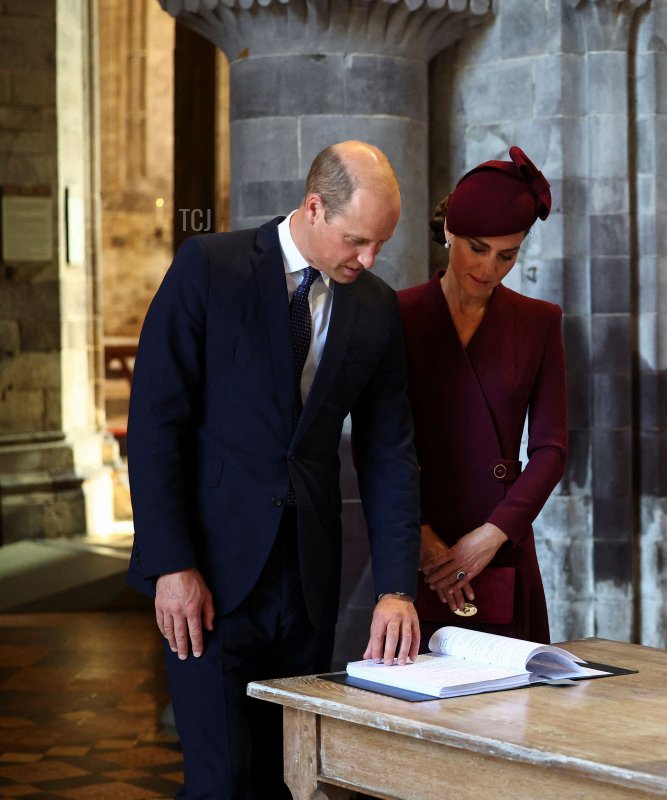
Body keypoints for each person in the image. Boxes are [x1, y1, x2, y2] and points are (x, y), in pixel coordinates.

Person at [126, 141, 422, 798]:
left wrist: (396, 587)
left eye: (381, 244)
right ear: (313, 206)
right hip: (207, 582)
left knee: (286, 780)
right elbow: (155, 426)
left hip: (308, 586)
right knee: (221, 782)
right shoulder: (210, 268)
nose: (369, 260)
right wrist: (170, 566)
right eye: (357, 241)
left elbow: (388, 453)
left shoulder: (374, 307)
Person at [396, 146, 567, 647]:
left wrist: (491, 537)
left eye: (507, 255)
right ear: (448, 230)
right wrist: (424, 541)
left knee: (509, 713)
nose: (489, 267)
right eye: (476, 247)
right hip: (412, 541)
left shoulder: (539, 322)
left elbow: (552, 449)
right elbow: (376, 439)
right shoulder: (397, 315)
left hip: (501, 543)